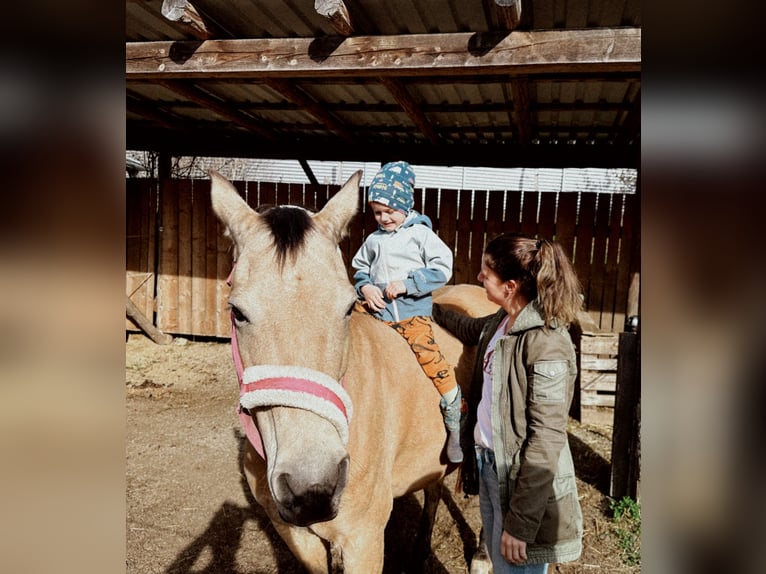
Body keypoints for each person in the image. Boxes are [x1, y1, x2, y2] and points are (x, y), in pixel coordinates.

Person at [432, 232, 584, 572]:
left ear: (510, 286)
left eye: (487, 271)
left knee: (517, 567)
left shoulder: (547, 344)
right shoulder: (503, 322)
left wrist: (521, 524)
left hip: (521, 483)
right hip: (491, 466)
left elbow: (547, 440)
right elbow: (467, 328)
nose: (480, 277)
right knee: (503, 567)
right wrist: (422, 306)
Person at [351, 161, 463, 463]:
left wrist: (408, 284)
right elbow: (360, 269)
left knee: (432, 360)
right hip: (377, 314)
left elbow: (443, 268)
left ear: (405, 206)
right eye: (377, 212)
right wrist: (366, 288)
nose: (384, 218)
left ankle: (454, 417)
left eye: (390, 211)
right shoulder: (373, 240)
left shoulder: (420, 236)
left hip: (411, 315)